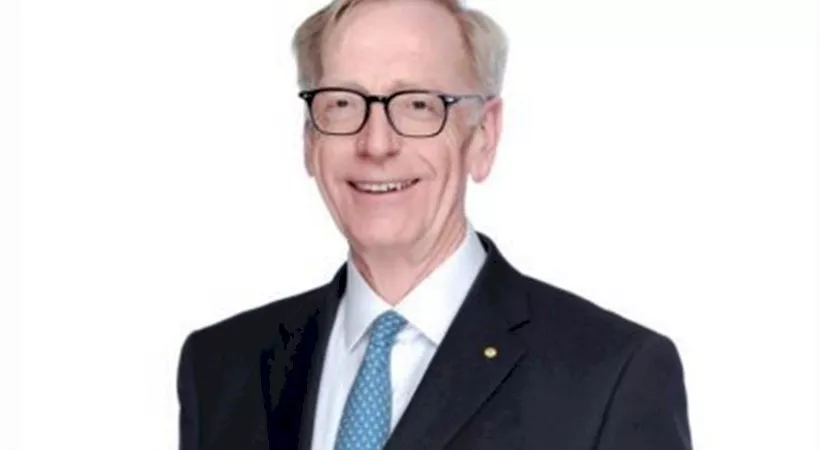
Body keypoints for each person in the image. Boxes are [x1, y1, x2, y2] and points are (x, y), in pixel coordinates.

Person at [176, 0, 692, 449]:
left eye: (419, 106)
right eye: (342, 104)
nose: (377, 144)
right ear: (310, 139)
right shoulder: (221, 367)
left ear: (484, 135)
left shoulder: (610, 378)